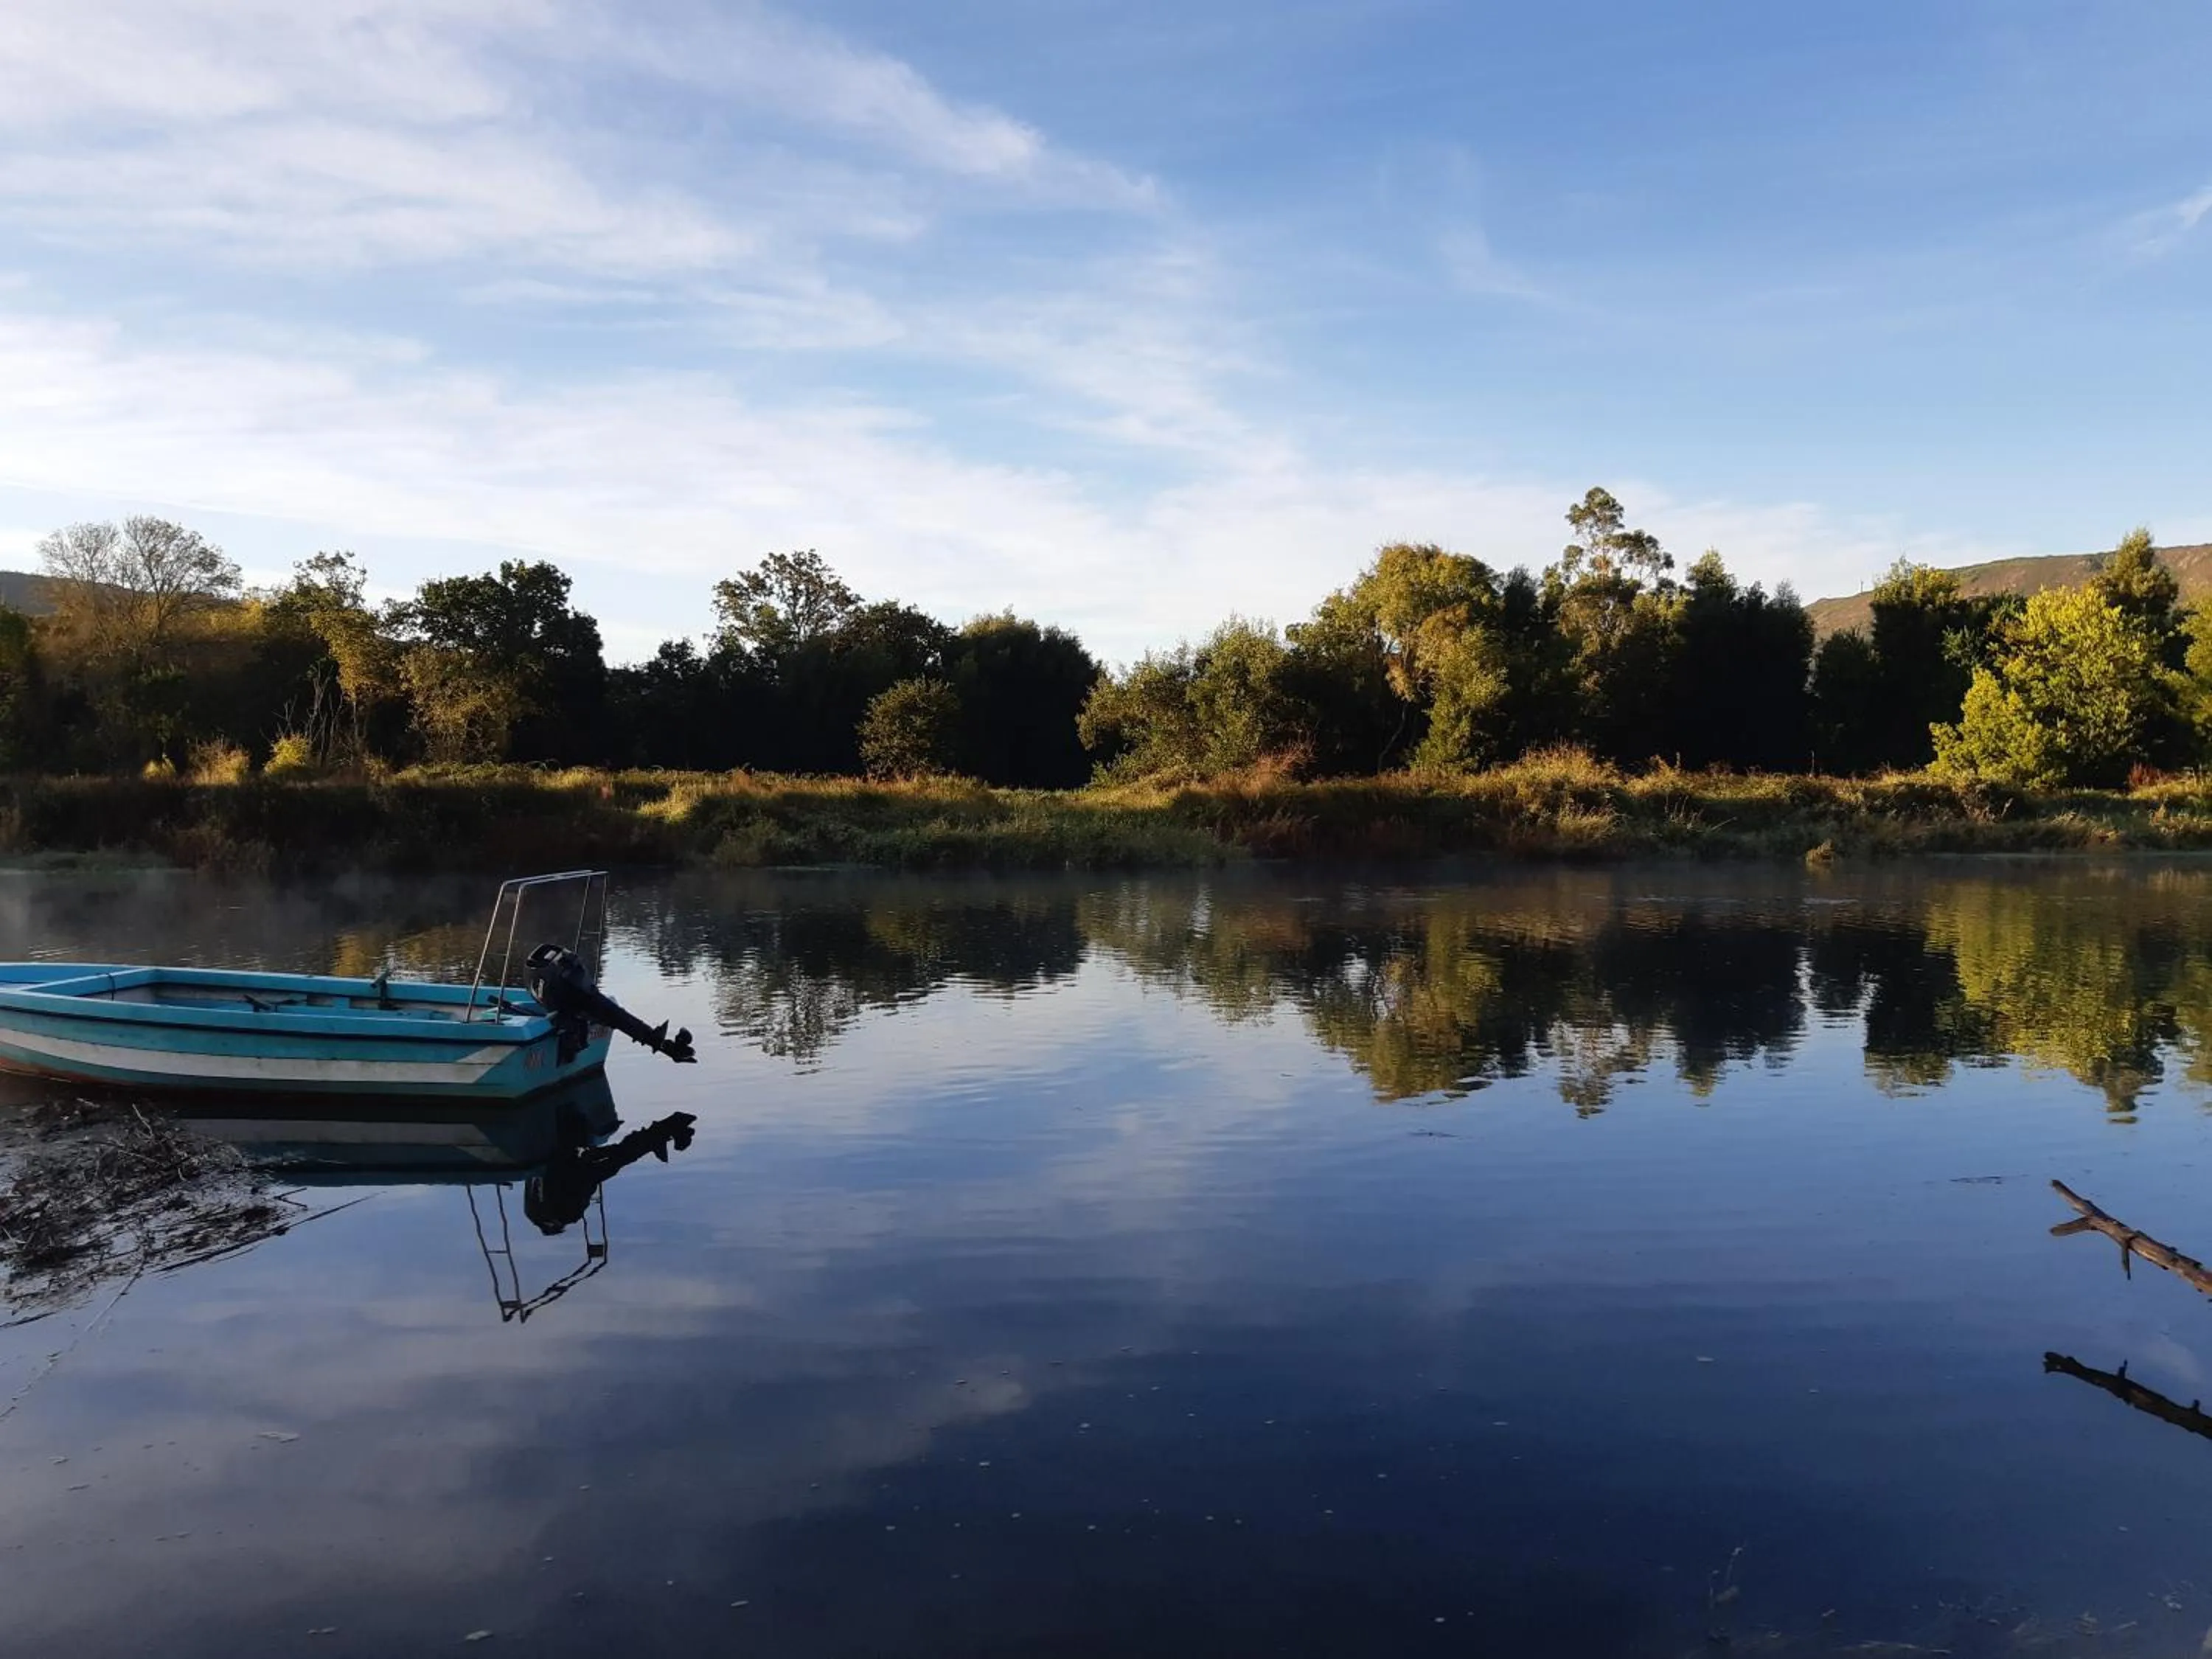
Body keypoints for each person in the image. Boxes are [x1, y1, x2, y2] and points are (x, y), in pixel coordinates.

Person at [523, 1107, 697, 1235]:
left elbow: (579, 1185)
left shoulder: (562, 1213)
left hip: (575, 1168)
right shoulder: (538, 1212)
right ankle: (661, 1134)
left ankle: (662, 1133)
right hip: (572, 1166)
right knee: (620, 1156)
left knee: (620, 1156)